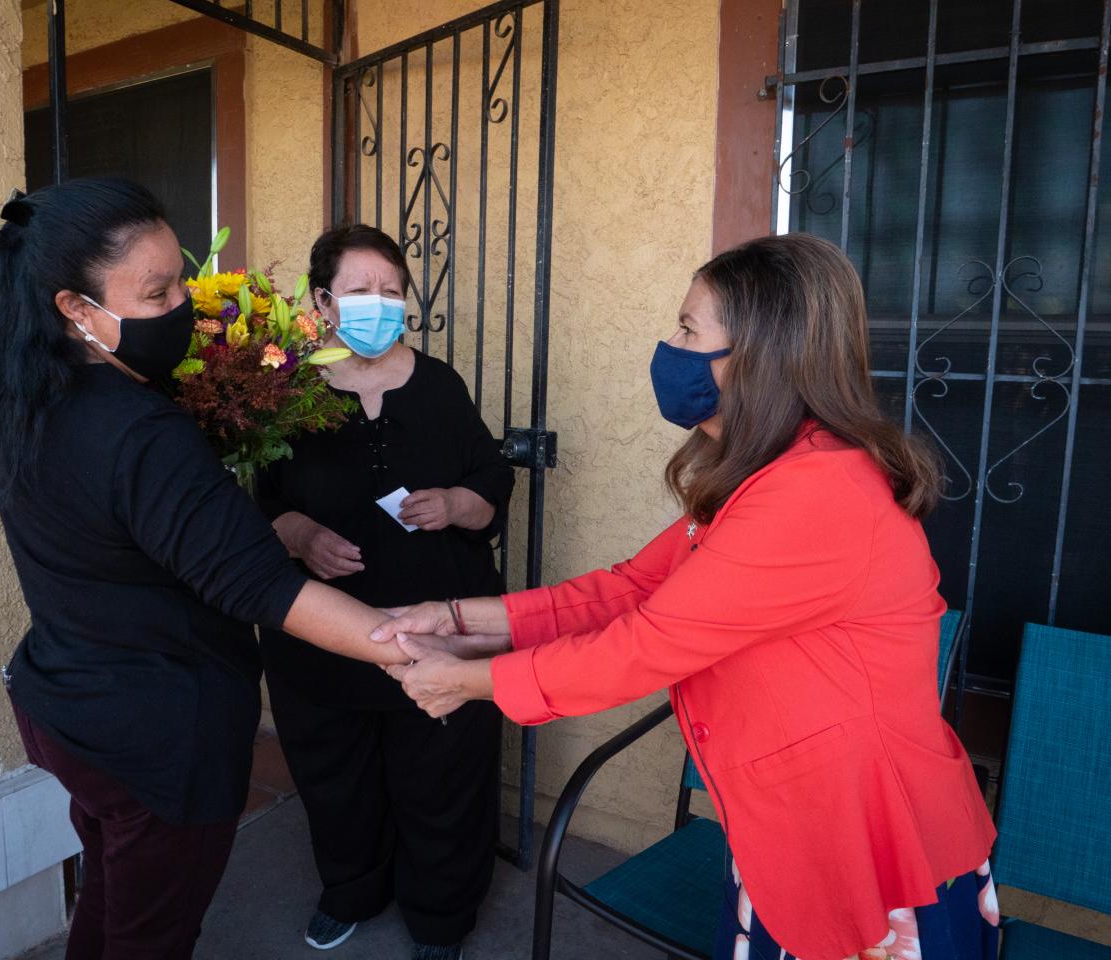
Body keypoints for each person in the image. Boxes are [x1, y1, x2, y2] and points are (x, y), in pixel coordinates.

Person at [373, 234, 1001, 960]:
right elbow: (633, 589)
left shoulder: (818, 491)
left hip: (869, 841)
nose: (668, 347)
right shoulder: (771, 470)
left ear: (762, 355)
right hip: (790, 824)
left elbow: (648, 642)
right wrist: (456, 617)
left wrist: (466, 680)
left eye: (687, 330)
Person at [0, 179, 413, 960]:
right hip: (158, 733)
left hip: (66, 702)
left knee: (108, 892)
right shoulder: (139, 430)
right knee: (152, 934)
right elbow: (263, 586)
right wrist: (417, 650)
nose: (185, 306)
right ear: (75, 307)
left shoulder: (19, 392)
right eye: (157, 292)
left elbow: (136, 533)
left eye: (182, 279)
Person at [255, 224, 514, 960]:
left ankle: (441, 916)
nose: (379, 304)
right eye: (361, 291)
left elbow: (492, 478)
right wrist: (300, 534)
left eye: (392, 292)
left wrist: (458, 503)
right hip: (321, 635)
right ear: (322, 301)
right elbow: (257, 498)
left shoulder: (439, 387)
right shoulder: (285, 388)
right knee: (335, 775)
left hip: (437, 624)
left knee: (443, 777)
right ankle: (351, 890)